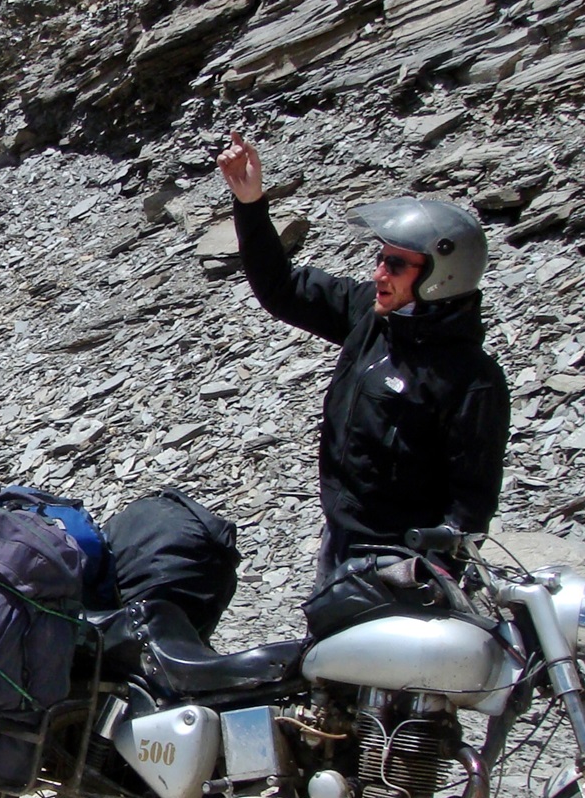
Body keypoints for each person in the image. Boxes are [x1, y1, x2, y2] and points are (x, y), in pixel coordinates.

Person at [214, 132, 509, 581]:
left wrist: (433, 574)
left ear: (440, 276)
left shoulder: (472, 379)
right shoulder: (371, 318)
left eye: (395, 265)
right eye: (381, 259)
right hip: (341, 542)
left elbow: (471, 504)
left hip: (403, 565)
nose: (379, 274)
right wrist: (251, 204)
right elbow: (283, 289)